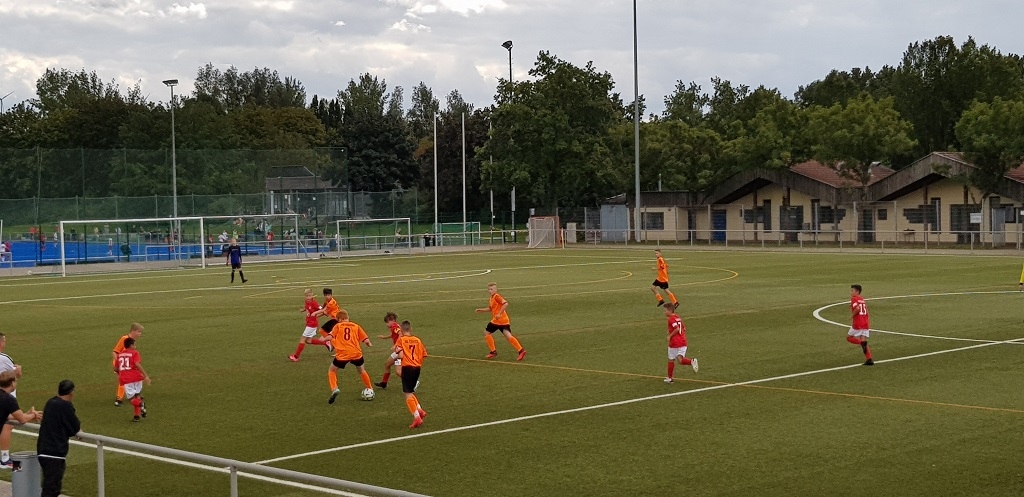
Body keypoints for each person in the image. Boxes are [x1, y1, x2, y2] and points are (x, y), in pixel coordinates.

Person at [312, 310, 374, 404]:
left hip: (343, 354)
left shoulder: (338, 326)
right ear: (347, 318)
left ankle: (334, 389)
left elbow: (330, 337)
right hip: (356, 353)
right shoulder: (356, 326)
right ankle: (370, 388)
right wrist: (369, 344)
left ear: (339, 319)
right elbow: (366, 340)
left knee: (332, 370)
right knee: (362, 370)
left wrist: (323, 340)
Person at [37, 379, 82, 497]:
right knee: (51, 489)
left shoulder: (50, 402)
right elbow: (74, 427)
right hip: (54, 453)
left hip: (43, 449)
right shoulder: (65, 406)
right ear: (71, 393)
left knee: (50, 486)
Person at [475, 282, 526, 361]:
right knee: (508, 336)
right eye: (489, 289)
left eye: (491, 289)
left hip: (498, 320)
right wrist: (481, 310)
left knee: (487, 332)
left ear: (496, 290)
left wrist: (499, 313)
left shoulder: (496, 296)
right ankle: (521, 350)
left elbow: (505, 303)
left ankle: (493, 352)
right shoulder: (491, 298)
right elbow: (491, 308)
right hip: (503, 320)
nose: (490, 291)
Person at [0, 371, 40, 469]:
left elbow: (9, 416)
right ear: (12, 383)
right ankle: (5, 461)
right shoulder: (9, 399)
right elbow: (22, 420)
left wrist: (27, 415)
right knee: (21, 468)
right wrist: (33, 415)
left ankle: (5, 461)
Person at [392, 321, 428, 429]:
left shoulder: (401, 340)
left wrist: (397, 354)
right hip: (417, 368)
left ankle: (417, 417)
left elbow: (401, 356)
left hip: (407, 367)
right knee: (410, 391)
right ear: (410, 329)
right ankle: (420, 410)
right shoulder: (417, 340)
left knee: (407, 393)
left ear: (401, 331)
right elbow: (424, 354)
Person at [116, 337, 151, 421]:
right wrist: (145, 376)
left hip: (127, 379)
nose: (135, 346)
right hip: (137, 377)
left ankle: (140, 404)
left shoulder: (119, 355)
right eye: (135, 345)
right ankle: (136, 416)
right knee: (137, 395)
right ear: (131, 345)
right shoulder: (135, 353)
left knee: (131, 399)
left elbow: (116, 368)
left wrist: (121, 373)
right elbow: (137, 364)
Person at [662, 302, 698, 383]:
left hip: (675, 343)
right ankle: (691, 361)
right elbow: (684, 328)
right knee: (680, 360)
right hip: (682, 341)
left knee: (671, 359)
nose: (664, 312)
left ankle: (670, 378)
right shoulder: (678, 317)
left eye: (665, 311)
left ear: (669, 311)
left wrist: (670, 336)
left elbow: (677, 329)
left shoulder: (671, 319)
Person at [112, 323, 143, 406]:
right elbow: (115, 352)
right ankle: (118, 399)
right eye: (139, 331)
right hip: (122, 364)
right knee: (124, 380)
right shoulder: (124, 339)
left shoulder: (132, 341)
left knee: (133, 377)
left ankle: (135, 394)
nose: (140, 334)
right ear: (133, 331)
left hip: (128, 364)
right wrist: (119, 362)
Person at [289, 289, 323, 362]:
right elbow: (307, 307)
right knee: (308, 340)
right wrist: (304, 310)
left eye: (309, 296)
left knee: (302, 339)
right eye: (307, 296)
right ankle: (326, 343)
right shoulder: (306, 301)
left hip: (312, 324)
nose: (308, 297)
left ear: (312, 295)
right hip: (309, 323)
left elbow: (323, 310)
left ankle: (296, 356)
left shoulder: (314, 303)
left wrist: (315, 314)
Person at [374, 312, 403, 389]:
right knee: (387, 365)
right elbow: (394, 335)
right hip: (398, 351)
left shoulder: (394, 326)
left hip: (399, 351)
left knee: (398, 372)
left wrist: (396, 345)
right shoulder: (396, 326)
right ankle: (384, 383)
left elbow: (400, 334)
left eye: (387, 322)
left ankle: (413, 382)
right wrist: (384, 337)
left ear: (392, 320)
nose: (386, 324)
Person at [848, 284, 874, 366]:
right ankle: (869, 359)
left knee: (849, 338)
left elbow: (858, 308)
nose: (851, 292)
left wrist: (852, 316)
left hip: (858, 323)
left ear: (857, 291)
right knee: (863, 340)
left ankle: (861, 343)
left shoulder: (854, 299)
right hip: (865, 322)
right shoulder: (862, 299)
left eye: (852, 290)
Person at [0, 333, 22, 397]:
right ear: (1, 343)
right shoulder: (4, 358)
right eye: (4, 341)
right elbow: (17, 374)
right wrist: (19, 369)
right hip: (6, 395)